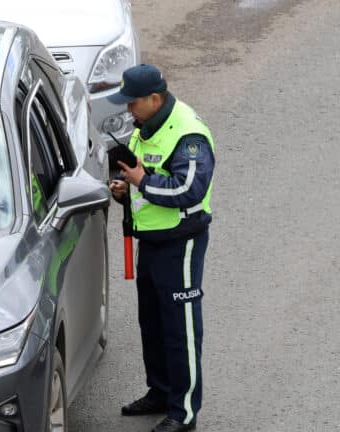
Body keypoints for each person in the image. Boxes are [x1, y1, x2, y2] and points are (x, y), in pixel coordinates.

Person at [107, 64, 215, 432]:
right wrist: (127, 186)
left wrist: (142, 180)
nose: (128, 110)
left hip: (179, 243)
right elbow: (144, 173)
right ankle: (161, 392)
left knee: (180, 329)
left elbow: (189, 190)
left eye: (132, 103)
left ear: (155, 98)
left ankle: (183, 412)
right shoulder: (146, 127)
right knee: (152, 323)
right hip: (151, 239)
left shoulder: (189, 135)